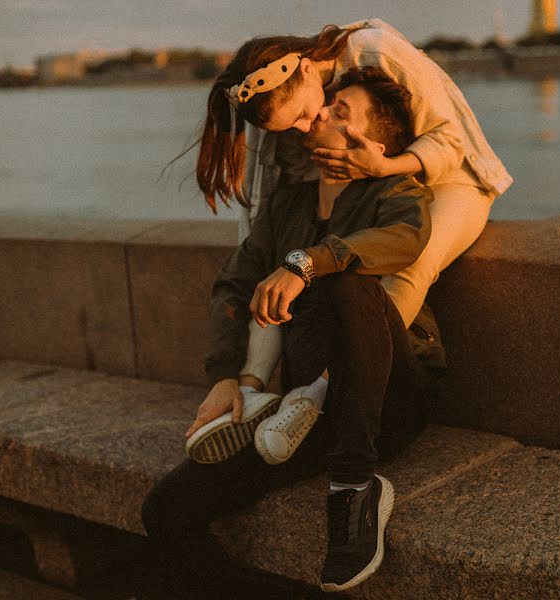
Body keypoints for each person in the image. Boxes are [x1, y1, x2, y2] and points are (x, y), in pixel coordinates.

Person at [142, 67, 445, 598]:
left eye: (339, 110)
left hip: (388, 397)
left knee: (346, 282)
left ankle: (355, 486)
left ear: (369, 140)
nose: (319, 113)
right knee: (165, 510)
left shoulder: (395, 189)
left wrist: (307, 262)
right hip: (308, 410)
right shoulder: (288, 203)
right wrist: (226, 376)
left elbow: (404, 239)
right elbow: (234, 284)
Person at [197, 17, 511, 333]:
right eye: (292, 126)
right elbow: (264, 192)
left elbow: (450, 140)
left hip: (457, 180)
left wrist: (383, 167)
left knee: (413, 264)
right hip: (385, 193)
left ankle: (331, 382)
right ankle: (318, 380)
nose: (304, 129)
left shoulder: (375, 50)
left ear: (306, 69)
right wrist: (262, 255)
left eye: (303, 117)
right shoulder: (281, 97)